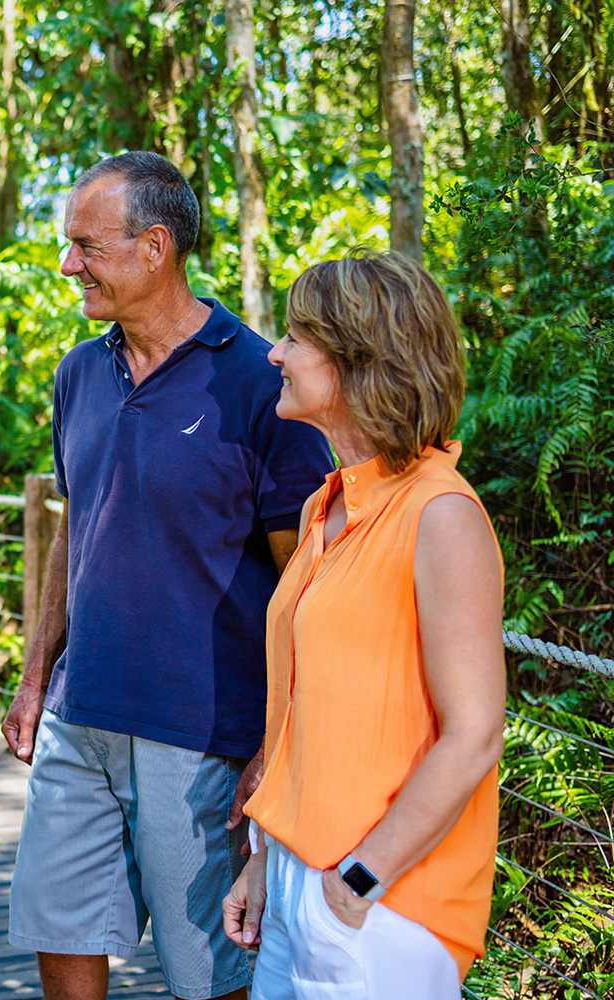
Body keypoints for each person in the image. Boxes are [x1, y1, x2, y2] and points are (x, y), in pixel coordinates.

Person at [1, 151, 336, 1000]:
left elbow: (304, 582)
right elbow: (76, 530)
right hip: (81, 713)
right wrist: (36, 673)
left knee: (206, 973)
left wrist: (278, 737)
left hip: (200, 730)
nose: (69, 263)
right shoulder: (78, 373)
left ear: (155, 248)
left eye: (86, 245)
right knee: (58, 927)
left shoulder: (262, 383)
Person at [221, 251, 504, 999]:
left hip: (379, 901)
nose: (274, 353)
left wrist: (357, 881)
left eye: (293, 338)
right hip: (295, 877)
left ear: (356, 359)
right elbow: (306, 716)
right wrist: (265, 859)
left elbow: (474, 732)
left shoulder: (441, 515)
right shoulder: (325, 506)